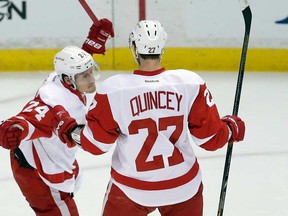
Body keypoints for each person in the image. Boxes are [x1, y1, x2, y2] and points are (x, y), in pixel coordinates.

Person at [52, 19, 246, 216]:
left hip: (132, 190)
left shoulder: (114, 89)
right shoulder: (190, 83)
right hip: (183, 187)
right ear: (162, 47)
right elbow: (210, 139)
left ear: (134, 47)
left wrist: (69, 130)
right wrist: (231, 129)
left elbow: (96, 144)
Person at [0, 18, 114, 216]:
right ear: (69, 80)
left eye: (91, 72)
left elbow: (75, 64)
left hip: (45, 157)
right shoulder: (54, 100)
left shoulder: (61, 77)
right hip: (35, 171)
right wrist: (14, 128)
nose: (91, 79)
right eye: (85, 76)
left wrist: (92, 44)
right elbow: (32, 116)